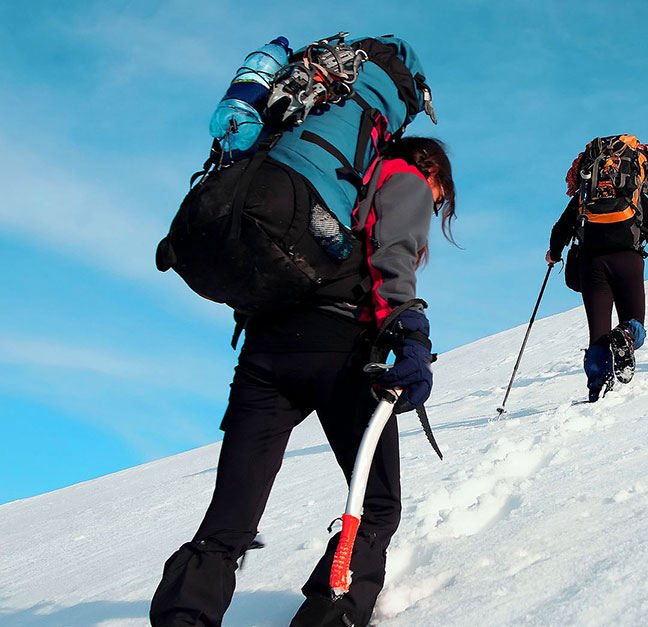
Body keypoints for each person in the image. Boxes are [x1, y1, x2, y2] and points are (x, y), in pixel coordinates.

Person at [149, 34, 455, 627]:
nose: (438, 203)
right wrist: (409, 331)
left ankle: (187, 616)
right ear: (431, 168)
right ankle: (330, 612)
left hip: (266, 347)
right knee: (377, 504)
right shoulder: (403, 175)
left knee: (229, 516)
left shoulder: (314, 158)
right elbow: (391, 251)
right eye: (442, 194)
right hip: (341, 349)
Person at [546, 135, 648, 401]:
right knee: (634, 323)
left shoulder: (584, 198)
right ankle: (626, 335)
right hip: (628, 262)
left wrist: (554, 254)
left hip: (592, 264)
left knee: (597, 333)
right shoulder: (637, 200)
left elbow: (559, 230)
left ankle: (597, 385)